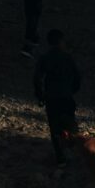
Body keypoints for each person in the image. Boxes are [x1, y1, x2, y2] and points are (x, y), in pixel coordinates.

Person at [32, 28, 80, 165]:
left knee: (54, 128)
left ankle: (60, 157)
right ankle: (71, 150)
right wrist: (72, 91)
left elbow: (37, 78)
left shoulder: (45, 58)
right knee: (69, 124)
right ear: (61, 41)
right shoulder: (68, 58)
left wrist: (40, 95)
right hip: (66, 97)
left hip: (51, 98)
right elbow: (77, 77)